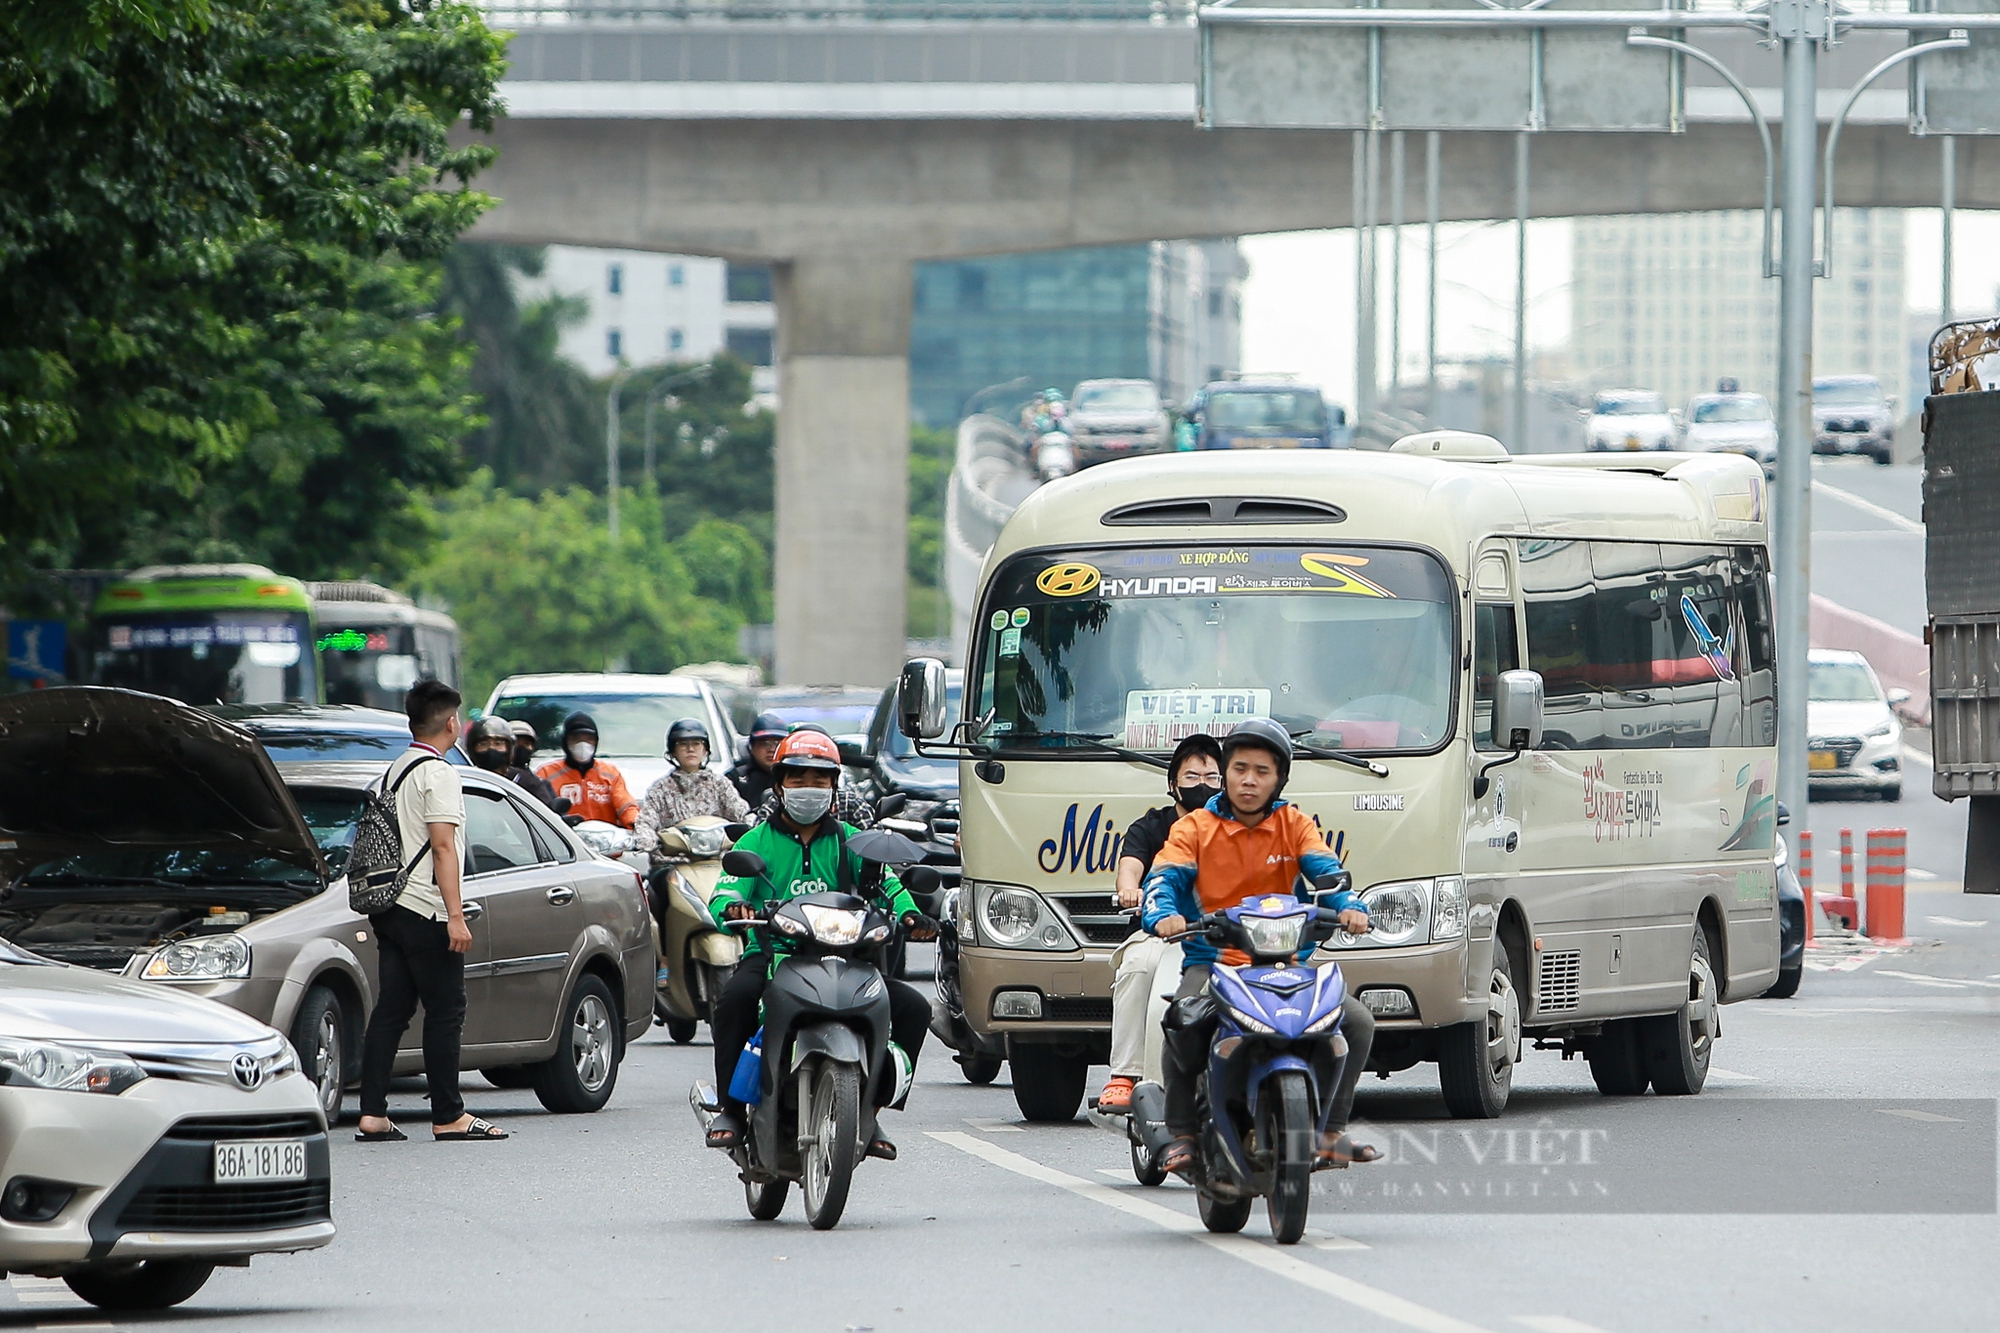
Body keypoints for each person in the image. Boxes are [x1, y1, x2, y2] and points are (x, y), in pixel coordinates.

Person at [1141, 718, 1377, 1173]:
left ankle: (1330, 1131)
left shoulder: (1295, 824)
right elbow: (1163, 878)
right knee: (1182, 1019)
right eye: (1240, 768)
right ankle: (1183, 1131)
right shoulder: (1196, 827)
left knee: (1359, 1022)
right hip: (1215, 963)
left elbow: (1329, 874)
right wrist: (1162, 915)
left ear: (1279, 779)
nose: (1249, 780)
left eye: (1262, 771)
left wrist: (1350, 906)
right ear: (1226, 772)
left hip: (1288, 964)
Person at [703, 730, 937, 1161]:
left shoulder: (853, 841)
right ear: (779, 785)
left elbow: (887, 887)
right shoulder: (755, 841)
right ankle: (731, 1109)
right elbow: (725, 890)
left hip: (846, 960)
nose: (807, 787)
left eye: (819, 779)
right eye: (797, 778)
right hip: (774, 955)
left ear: (833, 788)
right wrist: (733, 909)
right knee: (734, 1000)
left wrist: (910, 915)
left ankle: (871, 1109)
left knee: (913, 1008)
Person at [356, 680, 508, 1143]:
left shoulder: (394, 769)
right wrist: (456, 915)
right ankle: (449, 1114)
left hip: (389, 906)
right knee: (446, 1009)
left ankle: (373, 1113)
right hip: (424, 906)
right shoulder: (438, 773)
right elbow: (443, 846)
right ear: (450, 722)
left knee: (393, 1007)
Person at [1096, 732, 1223, 1113]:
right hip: (1164, 935)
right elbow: (1131, 869)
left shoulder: (1239, 826)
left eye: (1212, 778)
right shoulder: (1155, 828)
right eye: (1192, 777)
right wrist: (1131, 889)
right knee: (1136, 965)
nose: (1203, 786)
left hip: (1226, 934)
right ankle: (1126, 1074)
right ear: (1173, 784)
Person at [635, 717, 750, 863]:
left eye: (696, 744)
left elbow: (741, 813)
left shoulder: (720, 784)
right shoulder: (660, 789)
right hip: (673, 863)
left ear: (705, 750)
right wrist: (647, 840)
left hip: (719, 861)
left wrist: (751, 826)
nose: (690, 749)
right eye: (683, 744)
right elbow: (645, 822)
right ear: (673, 751)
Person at [748, 723, 874, 828]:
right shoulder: (772, 811)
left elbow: (873, 844)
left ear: (833, 785)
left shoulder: (851, 807)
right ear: (779, 788)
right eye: (798, 783)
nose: (808, 790)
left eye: (818, 783)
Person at [536, 711, 638, 828]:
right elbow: (539, 810)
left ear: (596, 742)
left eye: (589, 739)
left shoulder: (610, 773)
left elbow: (625, 805)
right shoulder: (546, 773)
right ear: (565, 741)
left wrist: (634, 823)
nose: (583, 744)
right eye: (576, 739)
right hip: (563, 839)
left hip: (605, 841)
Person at [466, 716, 570, 816]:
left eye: (498, 744)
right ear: (472, 749)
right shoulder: (467, 781)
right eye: (483, 744)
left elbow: (545, 817)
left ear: (510, 748)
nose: (491, 749)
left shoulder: (528, 781)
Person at [726, 711, 790, 808]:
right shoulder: (736, 779)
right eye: (765, 743)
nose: (772, 749)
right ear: (751, 747)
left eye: (778, 744)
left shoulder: (795, 777)